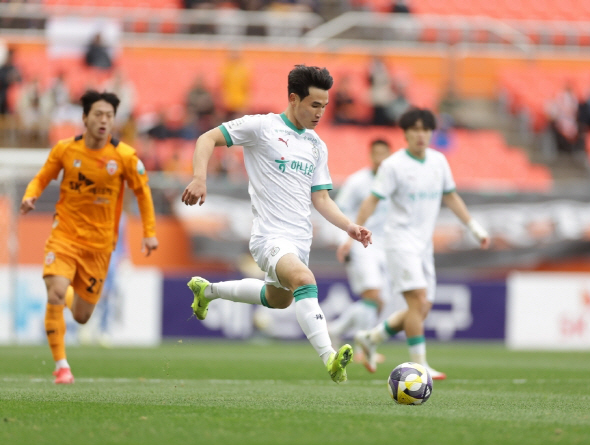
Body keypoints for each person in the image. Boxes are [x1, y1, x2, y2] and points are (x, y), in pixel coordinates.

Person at [181, 65, 372, 384]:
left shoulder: (316, 145)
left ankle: (208, 291)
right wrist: (200, 178)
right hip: (269, 237)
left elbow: (322, 199)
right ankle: (330, 358)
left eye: (324, 107)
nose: (320, 113)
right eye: (314, 105)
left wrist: (349, 227)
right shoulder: (261, 127)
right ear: (294, 99)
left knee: (279, 299)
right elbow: (206, 138)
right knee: (303, 279)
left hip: (299, 242)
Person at [20, 90, 159, 384]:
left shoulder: (124, 157)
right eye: (98, 114)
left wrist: (148, 233)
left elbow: (143, 194)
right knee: (55, 292)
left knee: (83, 315)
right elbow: (42, 176)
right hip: (65, 236)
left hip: (99, 247)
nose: (104, 121)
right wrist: (31, 195)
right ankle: (62, 366)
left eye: (109, 116)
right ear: (84, 117)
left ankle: (67, 294)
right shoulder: (65, 150)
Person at [351, 107, 490, 380]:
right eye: (414, 129)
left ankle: (371, 337)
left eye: (425, 129)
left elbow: (450, 197)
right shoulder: (393, 165)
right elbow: (372, 198)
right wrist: (355, 228)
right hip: (399, 242)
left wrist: (474, 227)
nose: (420, 134)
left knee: (422, 308)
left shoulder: (439, 162)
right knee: (418, 301)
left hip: (423, 247)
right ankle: (419, 365)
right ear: (404, 133)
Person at [331, 139, 392, 358]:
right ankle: (363, 350)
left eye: (384, 153)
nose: (380, 158)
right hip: (360, 245)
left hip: (384, 247)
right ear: (370, 155)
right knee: (373, 295)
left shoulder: (393, 182)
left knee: (380, 301)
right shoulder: (357, 182)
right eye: (377, 153)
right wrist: (345, 241)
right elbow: (339, 211)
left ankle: (335, 330)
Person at [0, 48, 21, 115]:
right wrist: (8, 79)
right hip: (3, 96)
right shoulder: (2, 68)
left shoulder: (14, 69)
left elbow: (20, 80)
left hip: (13, 97)